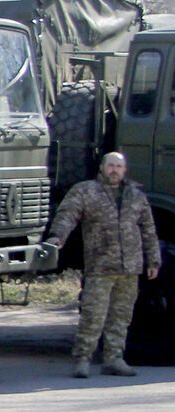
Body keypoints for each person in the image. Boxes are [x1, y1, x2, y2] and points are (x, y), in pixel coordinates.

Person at [45, 151, 160, 378]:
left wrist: (153, 259)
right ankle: (83, 359)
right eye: (110, 165)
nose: (114, 170)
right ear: (102, 167)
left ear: (124, 170)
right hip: (100, 265)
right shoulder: (86, 191)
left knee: (121, 317)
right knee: (93, 315)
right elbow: (68, 214)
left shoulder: (135, 196)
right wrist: (57, 236)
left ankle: (114, 359)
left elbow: (148, 229)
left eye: (119, 166)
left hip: (130, 267)